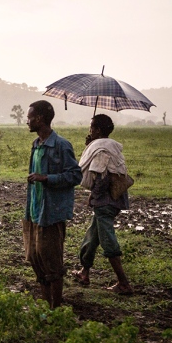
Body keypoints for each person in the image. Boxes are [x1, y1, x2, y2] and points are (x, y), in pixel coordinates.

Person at [23, 100, 82, 308]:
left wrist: (47, 178)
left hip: (51, 213)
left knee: (51, 262)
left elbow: (75, 176)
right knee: (34, 258)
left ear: (39, 119)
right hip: (34, 211)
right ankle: (47, 302)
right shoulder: (36, 145)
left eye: (29, 117)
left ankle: (56, 307)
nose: (27, 121)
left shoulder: (61, 145)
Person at [72, 114, 133, 295]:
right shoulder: (107, 146)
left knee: (107, 240)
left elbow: (101, 177)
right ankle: (84, 272)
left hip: (105, 201)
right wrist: (90, 146)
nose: (89, 130)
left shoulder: (102, 150)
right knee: (93, 236)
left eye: (92, 127)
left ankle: (123, 283)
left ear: (97, 130)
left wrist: (94, 196)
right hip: (114, 199)